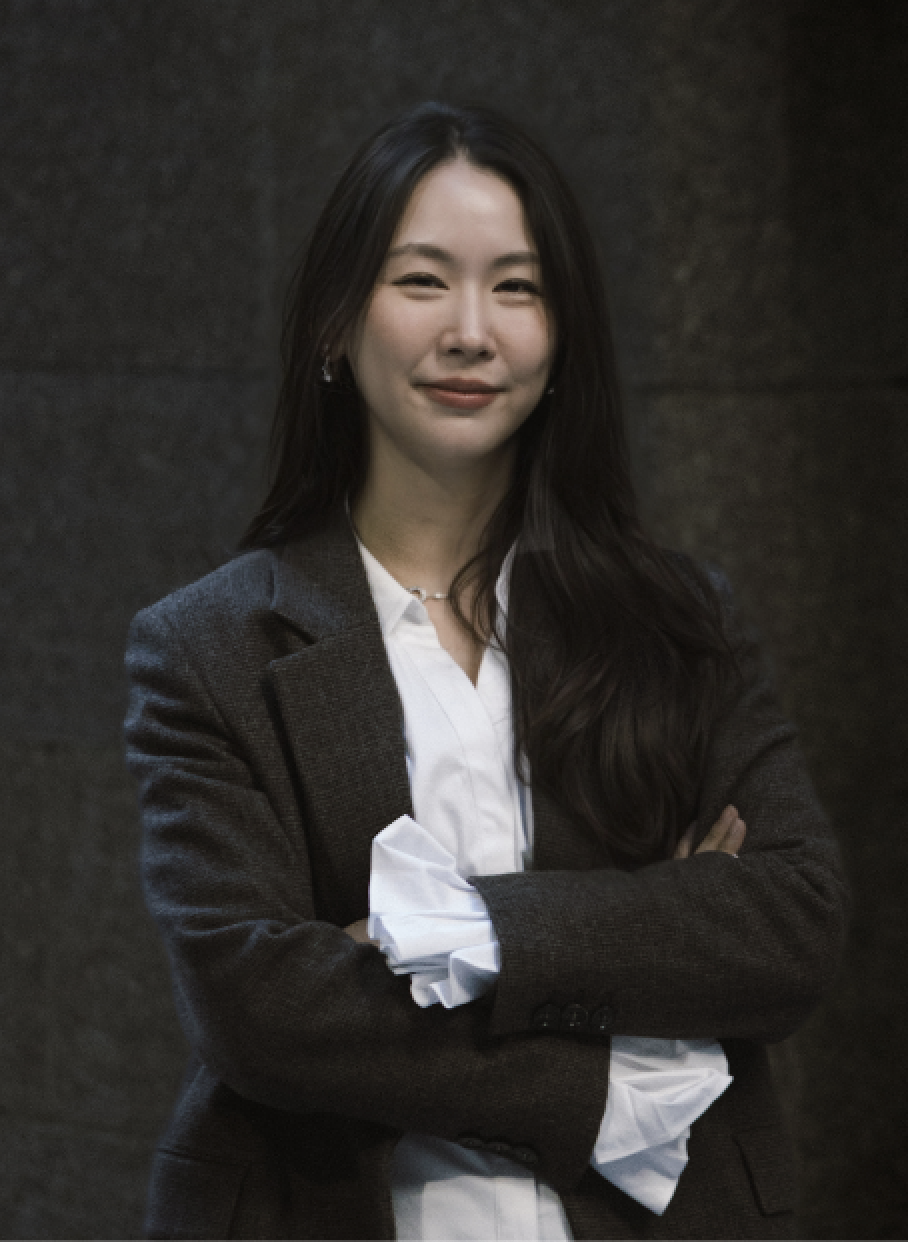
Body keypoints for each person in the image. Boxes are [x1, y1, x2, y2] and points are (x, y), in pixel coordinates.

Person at [124, 101, 848, 1240]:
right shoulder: (209, 647)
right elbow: (259, 1011)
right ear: (334, 322)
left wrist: (454, 932)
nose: (472, 331)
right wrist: (609, 1075)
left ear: (563, 339)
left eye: (517, 288)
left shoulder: (673, 619)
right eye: (422, 281)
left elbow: (790, 927)